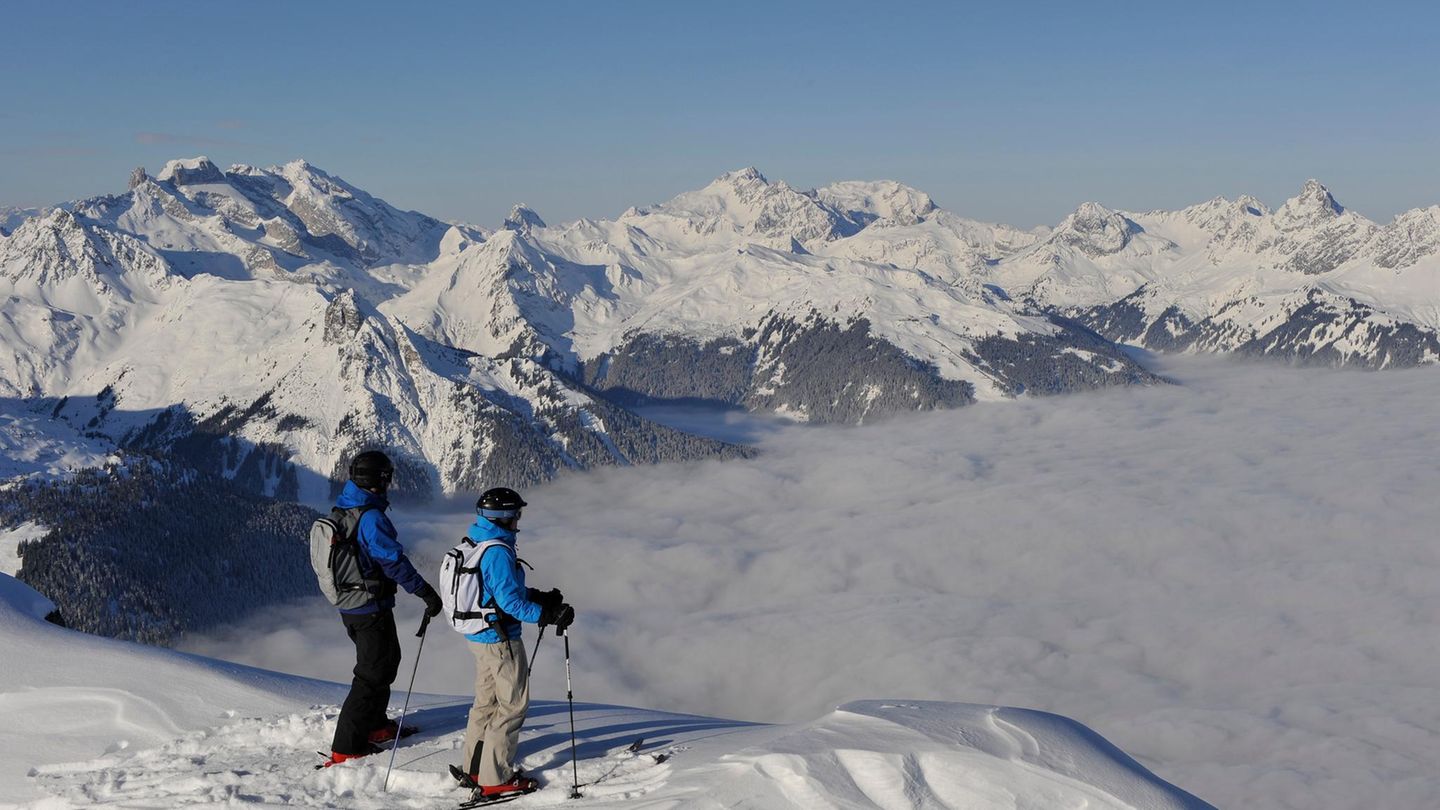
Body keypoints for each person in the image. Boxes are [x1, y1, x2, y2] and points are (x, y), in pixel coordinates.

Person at [324, 450, 444, 767]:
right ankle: (346, 747)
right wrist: (425, 591)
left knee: (387, 661)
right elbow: (392, 561)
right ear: (378, 480)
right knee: (370, 674)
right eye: (387, 477)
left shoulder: (348, 507)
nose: (389, 483)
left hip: (357, 604)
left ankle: (376, 727)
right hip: (367, 606)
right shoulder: (371, 517)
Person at [458, 486, 574, 799]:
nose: (519, 519)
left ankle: (474, 767)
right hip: (500, 639)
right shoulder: (496, 551)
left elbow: (494, 591)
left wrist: (539, 598)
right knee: (512, 705)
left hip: (480, 636)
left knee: (485, 702)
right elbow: (509, 603)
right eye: (517, 514)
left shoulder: (475, 540)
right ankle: (495, 777)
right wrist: (547, 615)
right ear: (507, 516)